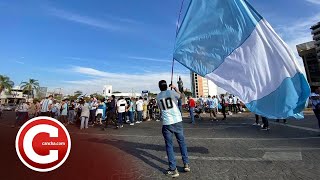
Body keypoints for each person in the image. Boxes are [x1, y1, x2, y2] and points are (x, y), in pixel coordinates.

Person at [157, 80, 190, 178]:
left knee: (169, 146)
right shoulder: (172, 92)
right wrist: (175, 88)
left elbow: (161, 109)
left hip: (167, 122)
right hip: (177, 120)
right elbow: (182, 97)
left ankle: (173, 169)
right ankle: (186, 164)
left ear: (159, 87)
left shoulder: (158, 96)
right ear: (167, 86)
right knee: (182, 142)